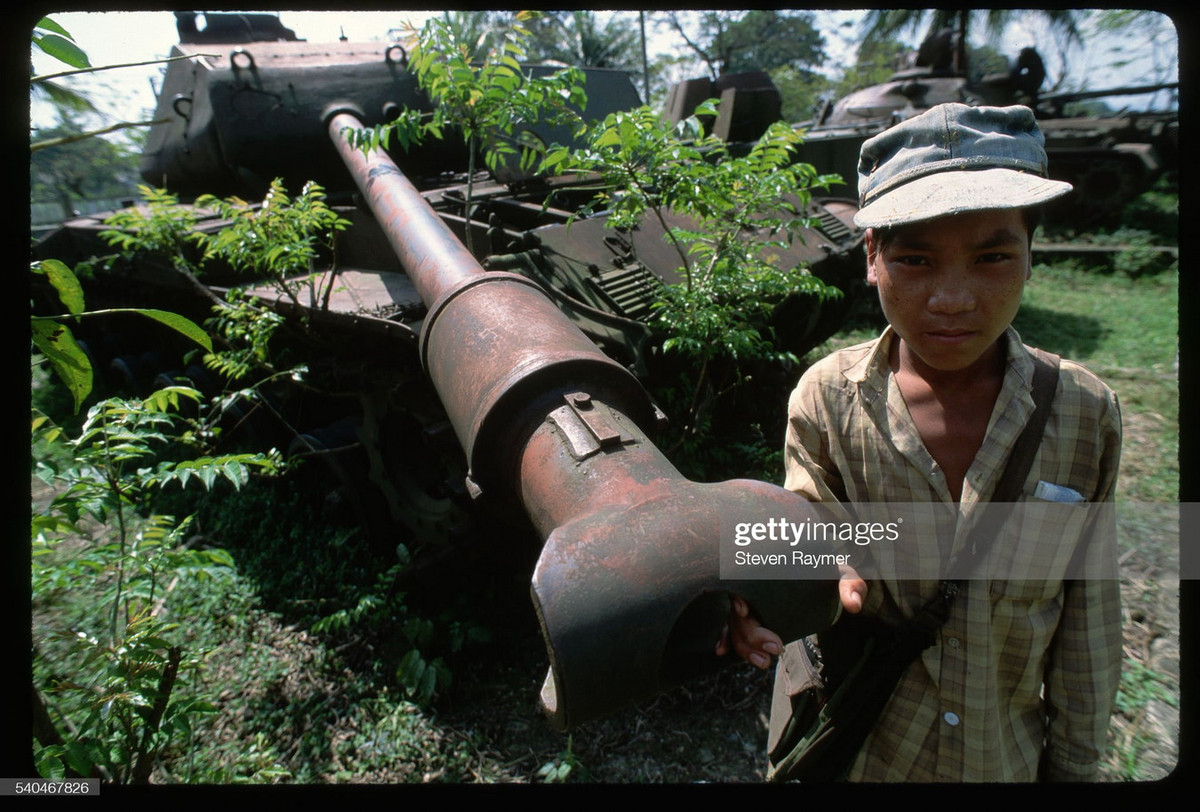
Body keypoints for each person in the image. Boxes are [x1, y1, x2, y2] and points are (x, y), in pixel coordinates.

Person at [717, 102, 1123, 782]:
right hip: (866, 751)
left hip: (1004, 759)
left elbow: (1090, 615)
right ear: (872, 257)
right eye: (915, 259)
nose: (953, 298)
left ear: (1032, 254)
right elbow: (799, 541)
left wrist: (1076, 766)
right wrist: (754, 598)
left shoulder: (1085, 413)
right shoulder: (827, 400)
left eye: (993, 256)